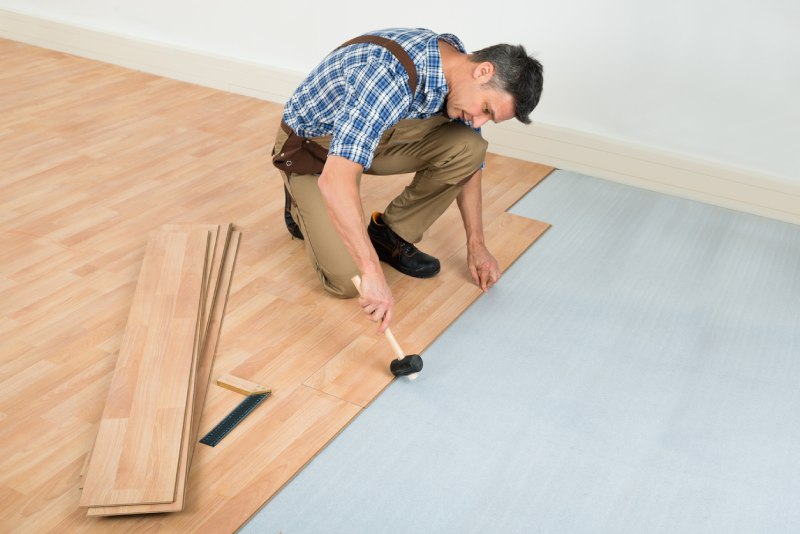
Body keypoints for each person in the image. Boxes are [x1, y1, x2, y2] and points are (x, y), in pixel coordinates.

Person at [272, 28, 543, 333]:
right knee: (348, 281)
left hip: (373, 139)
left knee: (469, 146)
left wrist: (476, 244)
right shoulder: (387, 76)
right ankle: (298, 201)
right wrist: (371, 271)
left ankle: (389, 234)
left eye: (488, 119)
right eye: (485, 110)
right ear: (483, 71)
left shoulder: (455, 72)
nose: (478, 121)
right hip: (314, 153)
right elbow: (336, 180)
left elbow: (471, 165)